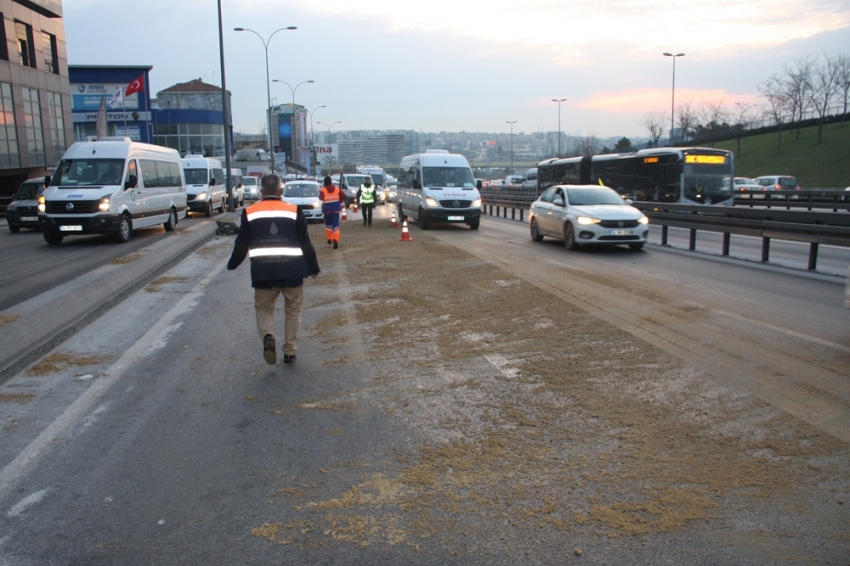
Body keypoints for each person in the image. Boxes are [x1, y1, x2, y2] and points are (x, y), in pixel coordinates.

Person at [227, 173, 320, 365]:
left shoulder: (249, 212)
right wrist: (313, 267)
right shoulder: (294, 210)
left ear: (261, 192)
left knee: (264, 308)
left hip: (263, 272)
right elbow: (305, 243)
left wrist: (233, 264)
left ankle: (268, 335)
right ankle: (290, 351)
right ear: (280, 191)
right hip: (293, 271)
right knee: (293, 310)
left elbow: (242, 244)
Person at [319, 175, 345, 249]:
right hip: (336, 210)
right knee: (335, 225)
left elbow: (321, 198)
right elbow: (343, 196)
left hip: (327, 210)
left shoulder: (322, 189)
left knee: (328, 225)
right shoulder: (337, 189)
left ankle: (329, 239)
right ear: (331, 182)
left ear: (324, 182)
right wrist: (338, 202)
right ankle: (335, 239)